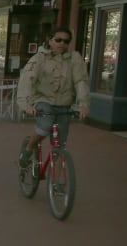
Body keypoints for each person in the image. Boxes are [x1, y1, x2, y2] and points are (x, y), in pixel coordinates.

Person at [15, 26, 90, 167]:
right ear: (50, 41)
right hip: (44, 100)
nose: (62, 44)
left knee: (60, 146)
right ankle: (29, 148)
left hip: (65, 104)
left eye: (66, 41)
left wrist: (83, 105)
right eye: (58, 40)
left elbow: (80, 81)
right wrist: (27, 106)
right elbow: (27, 80)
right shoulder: (39, 58)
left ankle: (57, 185)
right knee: (44, 128)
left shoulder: (74, 59)